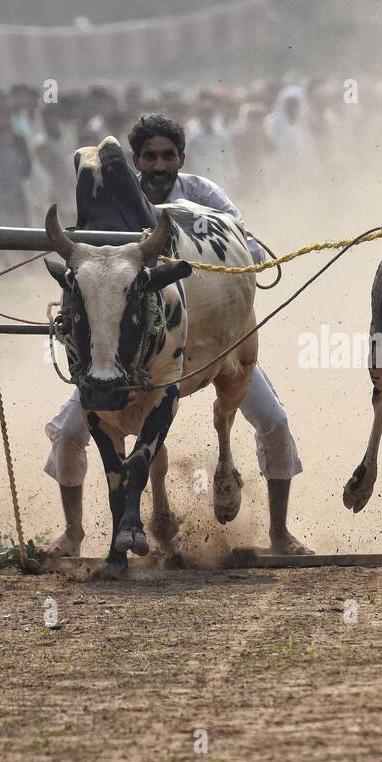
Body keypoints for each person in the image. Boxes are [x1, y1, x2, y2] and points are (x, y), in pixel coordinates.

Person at [42, 113, 313, 558]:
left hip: (210, 339)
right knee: (71, 431)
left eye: (168, 155)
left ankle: (280, 534)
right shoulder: (106, 216)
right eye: (149, 157)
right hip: (120, 349)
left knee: (274, 421)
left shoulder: (203, 198)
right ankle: (72, 533)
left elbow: (249, 251)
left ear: (181, 158)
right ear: (137, 161)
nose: (159, 164)